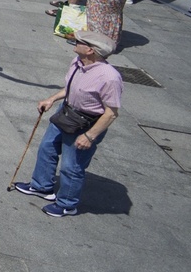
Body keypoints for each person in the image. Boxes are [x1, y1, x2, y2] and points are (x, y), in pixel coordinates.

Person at [13, 29, 123, 216]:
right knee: (47, 148)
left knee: (72, 166)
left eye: (80, 41)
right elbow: (70, 88)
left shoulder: (109, 77)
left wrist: (89, 136)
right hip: (66, 111)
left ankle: (67, 203)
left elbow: (111, 113)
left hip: (86, 122)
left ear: (90, 50)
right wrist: (51, 99)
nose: (75, 41)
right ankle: (42, 186)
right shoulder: (78, 62)